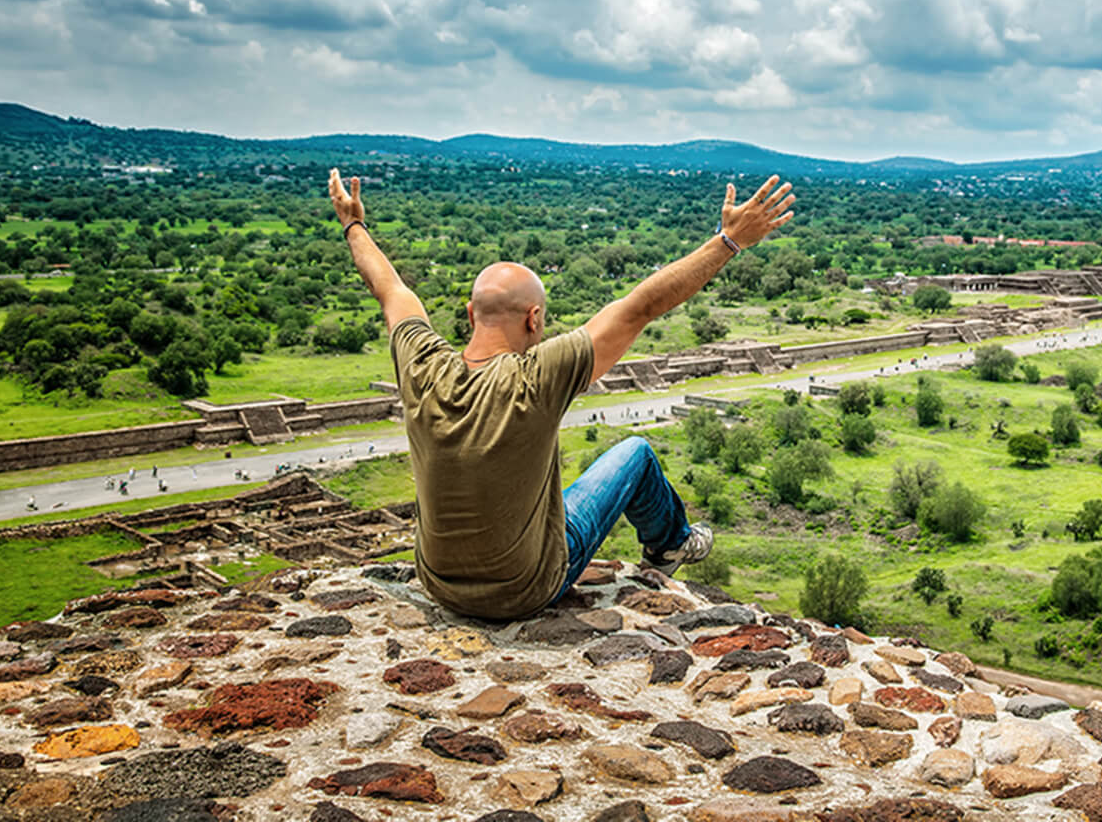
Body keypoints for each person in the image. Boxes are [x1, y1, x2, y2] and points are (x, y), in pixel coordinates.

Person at [330, 165, 794, 621]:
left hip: (439, 583)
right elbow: (641, 306)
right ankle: (671, 543)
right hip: (528, 588)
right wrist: (729, 241)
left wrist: (353, 224)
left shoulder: (422, 367)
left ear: (471, 314)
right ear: (534, 319)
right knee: (635, 454)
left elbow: (389, 289)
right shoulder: (537, 376)